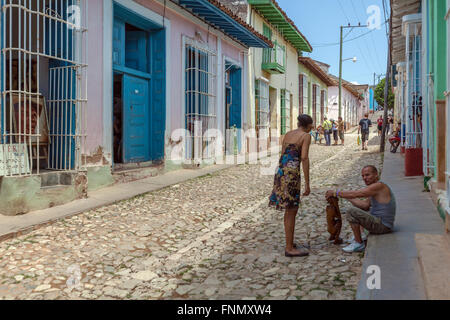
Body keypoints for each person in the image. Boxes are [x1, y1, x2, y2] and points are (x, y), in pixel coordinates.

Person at [269, 114, 313, 257]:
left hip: (281, 173)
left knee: (288, 209)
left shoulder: (287, 134)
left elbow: (282, 155)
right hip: (292, 175)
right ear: (308, 125)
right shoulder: (305, 136)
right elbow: (304, 157)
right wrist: (307, 183)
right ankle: (289, 248)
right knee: (291, 210)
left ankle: (289, 241)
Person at [325, 165, 396, 253]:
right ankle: (360, 235)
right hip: (383, 224)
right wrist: (347, 196)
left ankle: (358, 243)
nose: (364, 178)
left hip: (383, 226)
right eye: (363, 176)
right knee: (358, 210)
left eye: (367, 175)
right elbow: (365, 205)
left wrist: (336, 193)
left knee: (351, 211)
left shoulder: (378, 186)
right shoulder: (376, 187)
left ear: (376, 175)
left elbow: (358, 194)